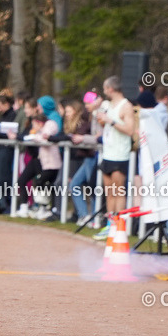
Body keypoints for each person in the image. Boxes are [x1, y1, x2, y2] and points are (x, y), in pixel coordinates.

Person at [94, 75, 136, 240]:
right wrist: (102, 121)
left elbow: (130, 130)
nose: (104, 92)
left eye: (105, 89)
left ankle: (120, 225)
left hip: (120, 153)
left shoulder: (126, 106)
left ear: (111, 89)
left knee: (119, 191)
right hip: (108, 152)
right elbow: (104, 123)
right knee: (109, 191)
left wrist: (110, 121)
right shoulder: (107, 105)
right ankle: (110, 224)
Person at [65, 95, 97, 225]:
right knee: (74, 185)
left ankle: (95, 218)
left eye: (89, 103)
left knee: (93, 188)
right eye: (85, 103)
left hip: (94, 155)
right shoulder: (87, 116)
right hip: (87, 156)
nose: (87, 106)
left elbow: (94, 135)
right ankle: (84, 215)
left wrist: (82, 138)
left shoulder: (97, 116)